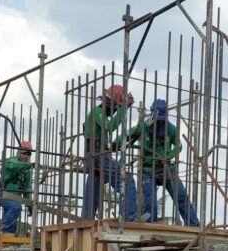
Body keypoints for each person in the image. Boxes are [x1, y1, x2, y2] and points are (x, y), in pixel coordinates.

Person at [114, 99, 199, 226]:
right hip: (147, 170)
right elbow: (128, 135)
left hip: (166, 169)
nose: (159, 122)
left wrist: (169, 155)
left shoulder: (171, 129)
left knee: (181, 195)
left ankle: (194, 225)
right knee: (151, 201)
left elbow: (179, 146)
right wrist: (117, 142)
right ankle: (151, 225)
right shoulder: (143, 127)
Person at [82, 84, 137, 221]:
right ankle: (129, 218)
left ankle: (86, 220)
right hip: (98, 155)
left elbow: (101, 136)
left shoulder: (99, 115)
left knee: (94, 187)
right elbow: (110, 127)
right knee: (127, 180)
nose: (115, 110)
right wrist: (124, 108)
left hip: (94, 155)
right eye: (116, 107)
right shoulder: (97, 112)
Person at [0, 141, 33, 235]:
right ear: (18, 152)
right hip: (3, 194)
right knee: (16, 207)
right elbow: (16, 166)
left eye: (28, 154)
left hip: (15, 197)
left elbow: (27, 188)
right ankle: (6, 231)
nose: (26, 156)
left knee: (12, 215)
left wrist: (30, 205)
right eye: (24, 153)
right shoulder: (9, 161)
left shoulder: (28, 171)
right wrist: (29, 165)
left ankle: (7, 237)